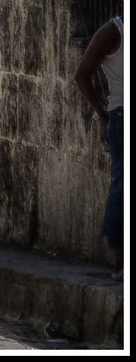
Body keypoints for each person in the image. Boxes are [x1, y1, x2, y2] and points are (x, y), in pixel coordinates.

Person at [75, 15, 124, 279]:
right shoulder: (112, 32)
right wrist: (102, 115)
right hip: (121, 114)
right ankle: (120, 263)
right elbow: (82, 75)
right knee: (121, 188)